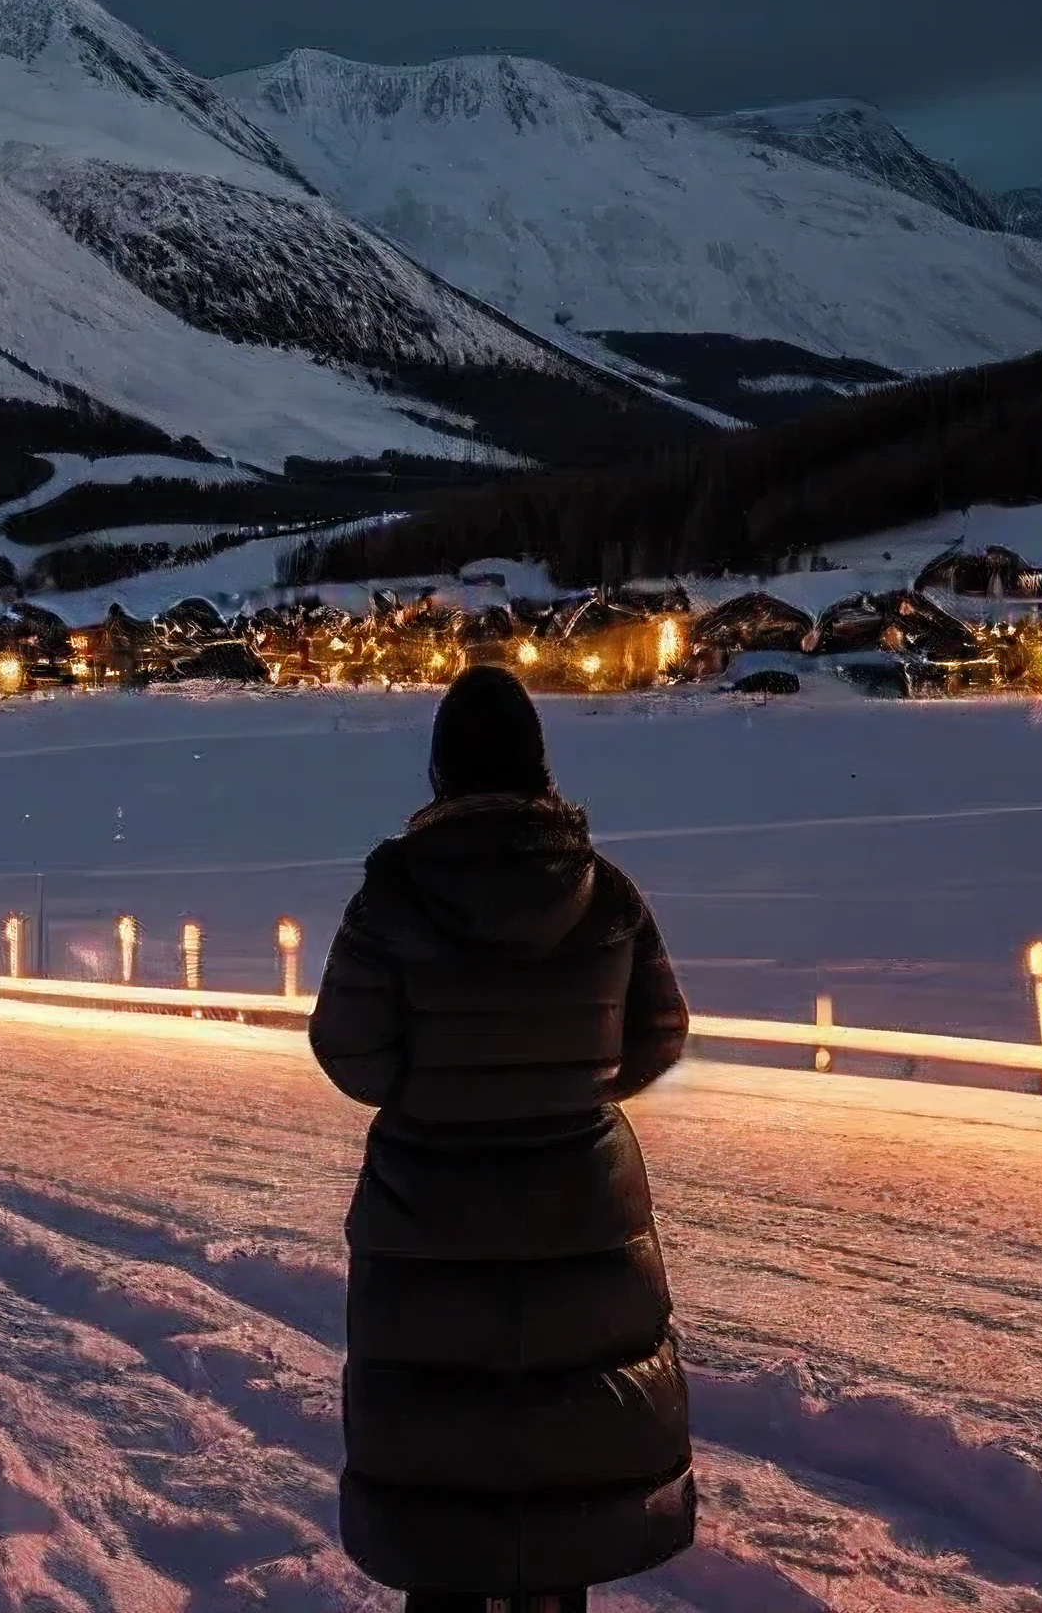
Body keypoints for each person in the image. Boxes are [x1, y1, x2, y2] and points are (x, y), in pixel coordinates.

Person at [309, 664, 694, 1613]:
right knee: (567, 1473)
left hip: (429, 1213)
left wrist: (434, 1095)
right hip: (580, 1204)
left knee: (441, 1480)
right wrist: (572, 1095)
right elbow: (660, 1032)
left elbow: (349, 1051)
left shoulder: (392, 896)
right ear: (539, 766)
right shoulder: (604, 892)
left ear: (441, 772)